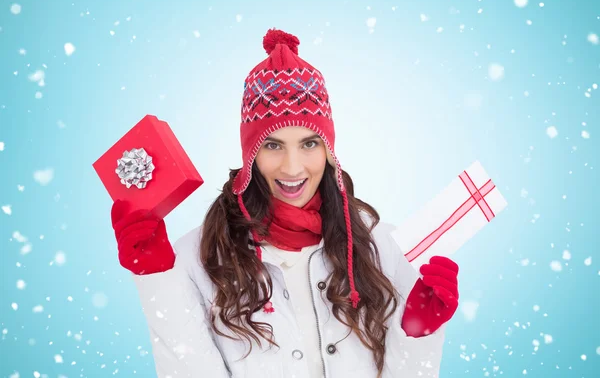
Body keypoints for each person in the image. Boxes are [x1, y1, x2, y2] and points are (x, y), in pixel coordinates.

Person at [110, 28, 460, 378]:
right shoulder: (200, 257)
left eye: (309, 143)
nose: (292, 168)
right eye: (273, 145)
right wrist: (156, 281)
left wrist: (418, 337)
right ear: (250, 152)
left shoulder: (383, 247)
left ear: (329, 150)